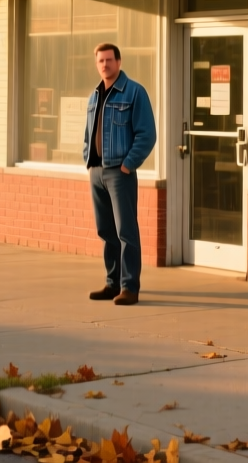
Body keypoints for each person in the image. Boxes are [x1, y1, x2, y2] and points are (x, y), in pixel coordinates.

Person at [82, 42, 156, 305]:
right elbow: (88, 132)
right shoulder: (94, 95)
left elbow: (147, 134)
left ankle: (129, 287)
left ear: (119, 62)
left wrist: (128, 165)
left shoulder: (134, 93)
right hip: (97, 171)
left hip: (119, 173)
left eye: (109, 60)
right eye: (100, 61)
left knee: (126, 231)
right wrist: (88, 160)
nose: (105, 65)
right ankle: (112, 283)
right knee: (106, 231)